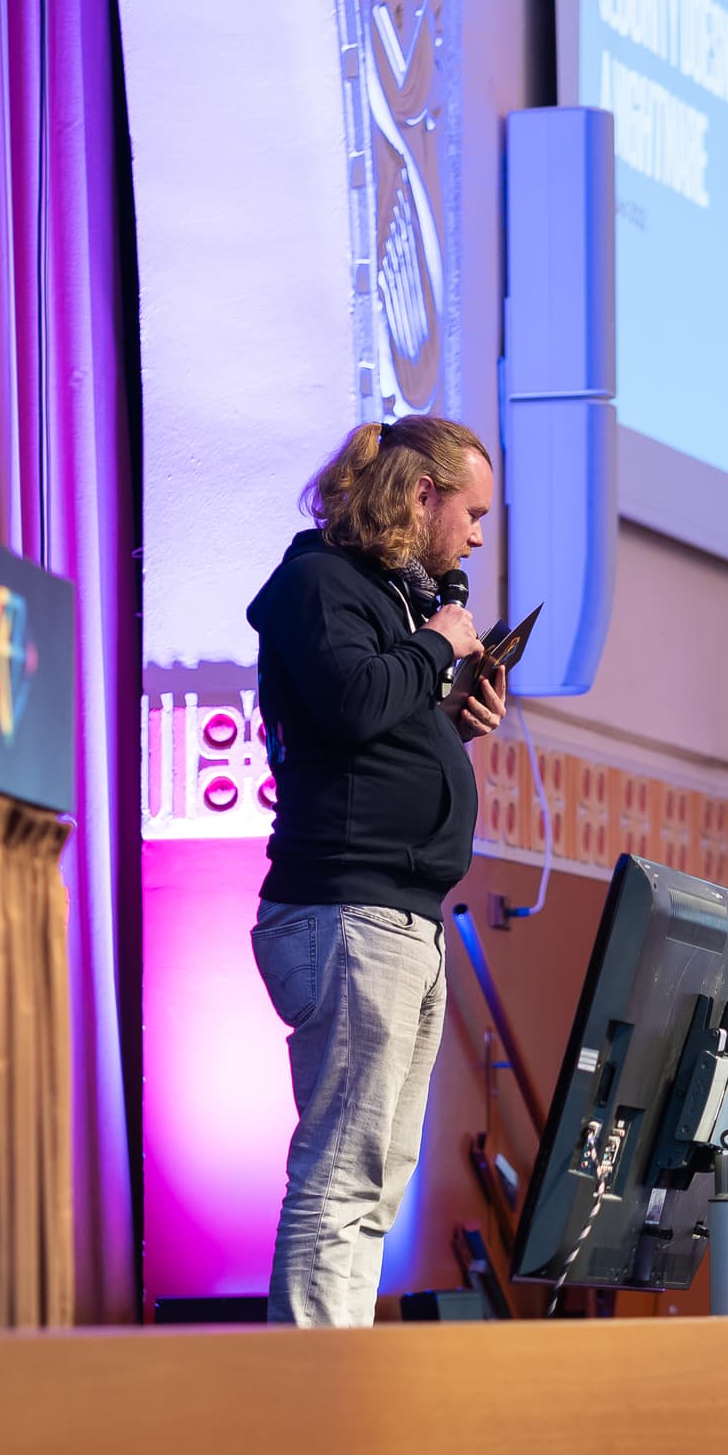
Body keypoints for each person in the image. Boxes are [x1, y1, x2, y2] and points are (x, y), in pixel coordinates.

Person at [243, 415, 505, 1326]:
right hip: (347, 913)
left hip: (401, 918)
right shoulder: (317, 582)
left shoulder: (391, 601)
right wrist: (437, 646)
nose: (477, 537)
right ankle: (311, 1396)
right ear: (423, 495)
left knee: (377, 1183)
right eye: (472, 513)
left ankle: (340, 1381)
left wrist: (447, 721)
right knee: (340, 1176)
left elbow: (374, 722)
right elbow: (352, 702)